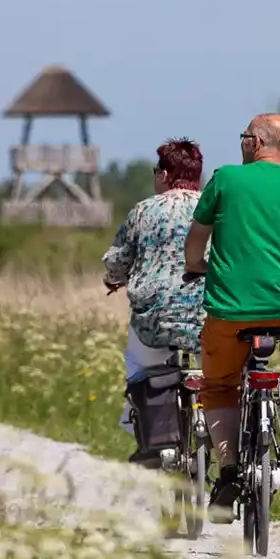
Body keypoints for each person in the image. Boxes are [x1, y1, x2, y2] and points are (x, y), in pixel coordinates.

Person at [183, 113, 280, 523]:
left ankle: (229, 470)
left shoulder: (226, 179)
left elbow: (195, 243)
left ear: (255, 142)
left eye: (243, 137)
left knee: (217, 386)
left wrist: (196, 265)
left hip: (229, 314)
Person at [102, 138, 208, 462]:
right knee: (220, 371)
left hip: (154, 319)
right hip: (208, 315)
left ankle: (149, 437)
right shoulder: (214, 207)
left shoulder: (144, 211)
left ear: (163, 174)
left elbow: (118, 259)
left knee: (138, 367)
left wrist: (114, 278)